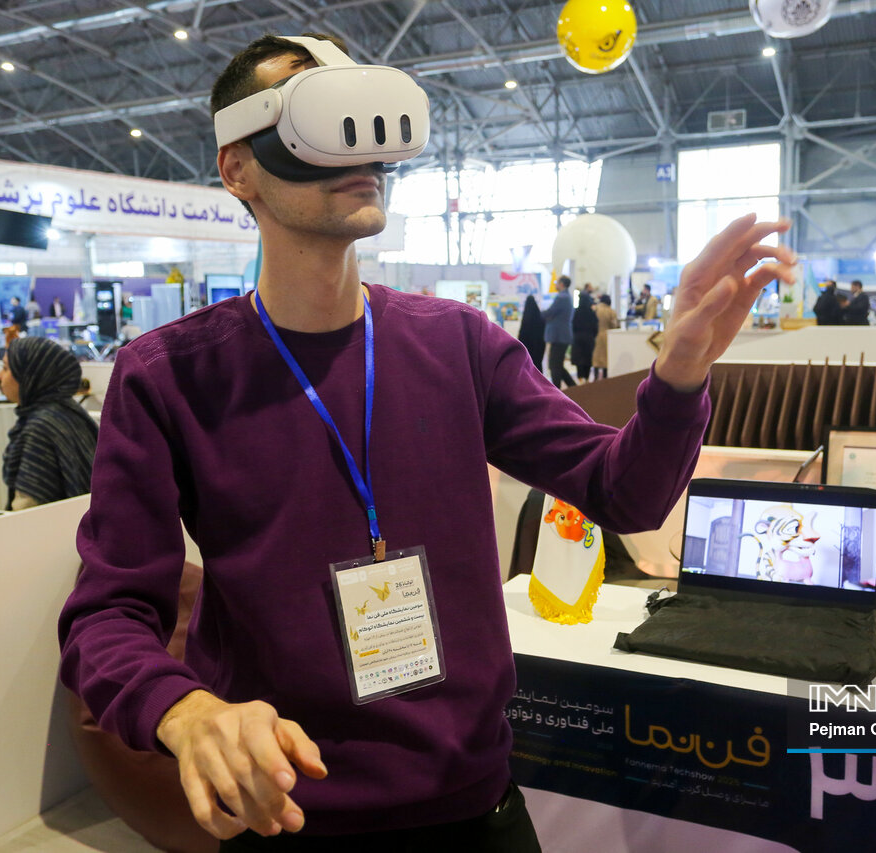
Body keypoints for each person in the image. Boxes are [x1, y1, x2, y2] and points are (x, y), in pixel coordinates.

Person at [57, 31, 796, 851]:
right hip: (289, 814)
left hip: (473, 806)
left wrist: (680, 373)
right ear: (238, 168)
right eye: (319, 114)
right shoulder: (169, 376)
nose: (360, 148)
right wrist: (185, 710)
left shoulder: (459, 344)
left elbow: (624, 491)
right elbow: (106, 613)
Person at [0, 337, 98, 511]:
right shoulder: (71, 412)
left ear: (29, 375)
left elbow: (28, 509)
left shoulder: (39, 428)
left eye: (6, 368)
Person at [542, 274, 576, 388]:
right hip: (562, 336)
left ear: (561, 284)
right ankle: (573, 387)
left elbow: (550, 312)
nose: (555, 284)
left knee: (554, 365)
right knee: (557, 365)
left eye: (556, 282)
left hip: (559, 336)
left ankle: (557, 390)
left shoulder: (562, 297)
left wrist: (538, 313)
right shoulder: (566, 297)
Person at [570, 290, 598, 383]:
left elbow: (573, 326)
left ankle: (580, 379)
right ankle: (586, 379)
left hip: (578, 339)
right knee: (587, 359)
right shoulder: (591, 312)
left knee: (579, 360)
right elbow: (595, 327)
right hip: (589, 339)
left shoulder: (576, 312)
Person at [592, 294, 620, 380]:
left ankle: (595, 377)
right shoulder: (611, 311)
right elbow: (615, 325)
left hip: (595, 336)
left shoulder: (595, 309)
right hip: (607, 337)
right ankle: (605, 378)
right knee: (606, 359)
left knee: (596, 359)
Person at [517, 294, 545, 372]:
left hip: (528, 347)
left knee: (529, 365)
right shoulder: (540, 318)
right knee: (538, 364)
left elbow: (522, 334)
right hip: (539, 346)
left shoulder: (526, 318)